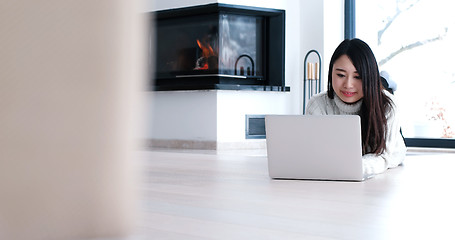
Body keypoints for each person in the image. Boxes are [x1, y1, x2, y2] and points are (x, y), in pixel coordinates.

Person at [306, 38, 406, 177]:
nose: (348, 84)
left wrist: (344, 168)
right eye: (341, 75)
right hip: (343, 167)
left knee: (383, 87)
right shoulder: (317, 105)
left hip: (388, 151)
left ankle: (384, 81)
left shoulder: (388, 106)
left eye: (358, 77)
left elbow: (382, 158)